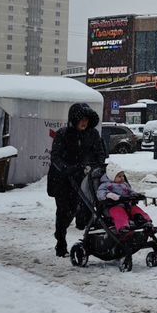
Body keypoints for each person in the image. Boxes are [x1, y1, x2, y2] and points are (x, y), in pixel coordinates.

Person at [47, 102, 106, 257]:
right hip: (63, 180)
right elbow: (56, 156)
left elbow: (100, 153)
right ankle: (61, 241)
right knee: (64, 212)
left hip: (84, 178)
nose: (84, 122)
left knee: (83, 209)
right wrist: (66, 168)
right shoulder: (63, 134)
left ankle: (88, 240)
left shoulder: (93, 134)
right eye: (81, 119)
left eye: (86, 119)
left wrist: (97, 166)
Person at [97, 170, 155, 235]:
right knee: (119, 213)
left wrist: (135, 195)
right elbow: (100, 194)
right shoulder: (105, 185)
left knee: (136, 209)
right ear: (112, 177)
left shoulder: (124, 184)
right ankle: (123, 227)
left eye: (123, 176)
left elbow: (130, 191)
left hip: (127, 205)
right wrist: (109, 195)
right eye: (119, 176)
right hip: (112, 206)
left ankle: (146, 222)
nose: (122, 178)